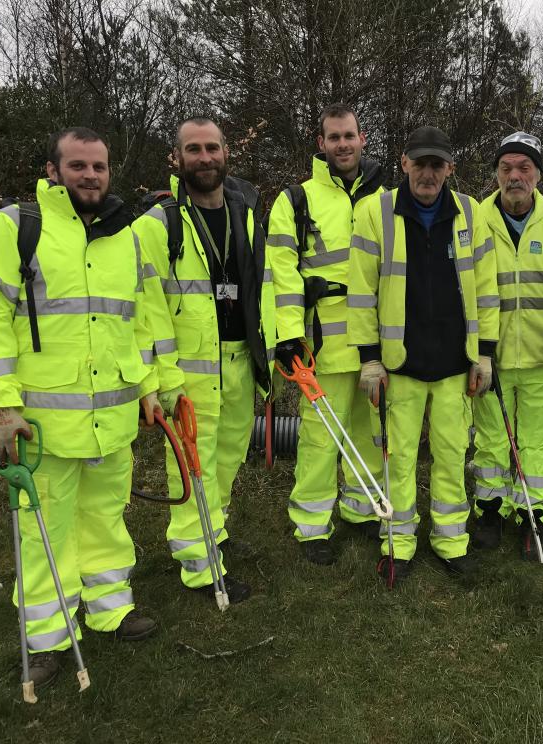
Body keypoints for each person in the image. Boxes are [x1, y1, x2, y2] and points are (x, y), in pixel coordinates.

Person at [0, 127, 160, 688]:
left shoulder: (128, 237)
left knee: (106, 516)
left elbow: (139, 320)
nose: (90, 175)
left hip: (114, 416)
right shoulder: (16, 229)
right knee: (46, 525)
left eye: (98, 166)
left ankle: (110, 609)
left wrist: (148, 388)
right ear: (53, 170)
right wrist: (0, 406)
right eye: (78, 166)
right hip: (43, 424)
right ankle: (48, 637)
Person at [347, 125, 499, 583]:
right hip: (401, 365)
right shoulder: (375, 212)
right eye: (420, 162)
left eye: (437, 164)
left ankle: (452, 542)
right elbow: (361, 291)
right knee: (400, 458)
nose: (428, 173)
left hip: (456, 365)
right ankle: (399, 543)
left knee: (454, 456)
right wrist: (369, 359)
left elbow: (488, 292)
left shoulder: (471, 213)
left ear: (450, 169)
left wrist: (485, 355)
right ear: (403, 162)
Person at [133, 117, 274, 603]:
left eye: (212, 147)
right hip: (189, 375)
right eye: (193, 149)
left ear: (226, 151)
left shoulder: (247, 212)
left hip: (239, 362)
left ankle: (216, 533)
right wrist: (162, 381)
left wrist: (268, 353)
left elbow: (263, 288)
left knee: (229, 458)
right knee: (194, 468)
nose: (205, 157)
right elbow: (144, 311)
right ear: (177, 158)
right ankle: (201, 567)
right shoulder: (157, 225)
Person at [267, 103, 385, 565]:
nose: (342, 144)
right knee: (319, 439)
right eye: (333, 137)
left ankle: (361, 509)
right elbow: (281, 274)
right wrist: (290, 336)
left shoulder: (384, 199)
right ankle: (312, 525)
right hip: (322, 347)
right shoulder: (296, 200)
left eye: (349, 136)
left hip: (375, 345)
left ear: (362, 139)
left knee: (370, 430)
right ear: (321, 143)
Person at [469, 132, 543, 558]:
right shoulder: (476, 219)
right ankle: (490, 512)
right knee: (491, 440)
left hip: (542, 357)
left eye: (524, 168)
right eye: (506, 168)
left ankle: (534, 516)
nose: (514, 176)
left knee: (535, 443)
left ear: (538, 173)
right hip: (488, 358)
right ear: (496, 173)